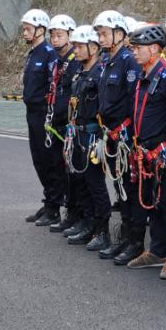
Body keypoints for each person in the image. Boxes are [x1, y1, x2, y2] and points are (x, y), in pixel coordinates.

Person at [120, 24, 166, 275]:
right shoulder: (141, 76)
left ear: (155, 49)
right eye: (133, 47)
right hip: (141, 150)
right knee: (150, 202)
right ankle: (157, 249)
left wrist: (165, 148)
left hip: (161, 152)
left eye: (138, 48)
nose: (134, 52)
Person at [92, 10, 144, 263]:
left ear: (120, 34)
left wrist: (127, 136)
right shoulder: (107, 61)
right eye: (99, 34)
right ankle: (125, 236)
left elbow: (134, 103)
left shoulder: (128, 61)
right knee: (120, 188)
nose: (100, 38)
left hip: (125, 137)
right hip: (110, 134)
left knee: (130, 190)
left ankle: (135, 241)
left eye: (104, 33)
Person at [63, 26, 114, 251]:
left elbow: (104, 109)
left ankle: (102, 231)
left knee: (95, 184)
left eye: (79, 46)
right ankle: (87, 223)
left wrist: (103, 138)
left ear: (93, 48)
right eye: (74, 46)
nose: (75, 51)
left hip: (93, 134)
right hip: (78, 132)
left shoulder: (100, 74)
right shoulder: (81, 73)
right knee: (81, 182)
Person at [20, 8, 66, 228]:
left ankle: (54, 206)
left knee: (49, 160)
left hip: (43, 113)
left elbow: (53, 85)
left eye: (28, 29)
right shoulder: (33, 53)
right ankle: (48, 201)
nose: (25, 33)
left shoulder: (49, 53)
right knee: (38, 160)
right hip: (31, 112)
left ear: (40, 29)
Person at [45, 14, 81, 234]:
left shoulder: (75, 63)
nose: (55, 39)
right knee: (63, 172)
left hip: (71, 126)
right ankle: (70, 212)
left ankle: (77, 214)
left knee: (75, 174)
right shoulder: (58, 62)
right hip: (57, 123)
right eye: (53, 35)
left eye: (59, 35)